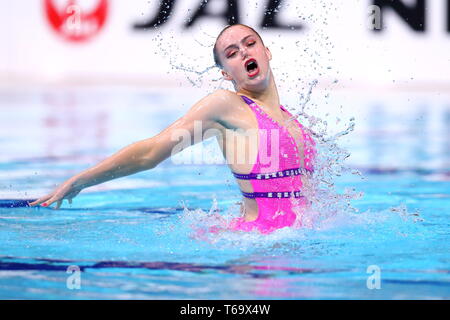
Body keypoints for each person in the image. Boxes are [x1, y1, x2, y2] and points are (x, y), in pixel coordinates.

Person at [30, 24, 316, 234]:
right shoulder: (226, 105)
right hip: (260, 250)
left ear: (266, 51)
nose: (243, 52)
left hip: (293, 245)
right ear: (226, 73)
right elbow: (151, 152)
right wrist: (80, 180)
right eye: (232, 53)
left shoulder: (291, 119)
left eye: (250, 43)